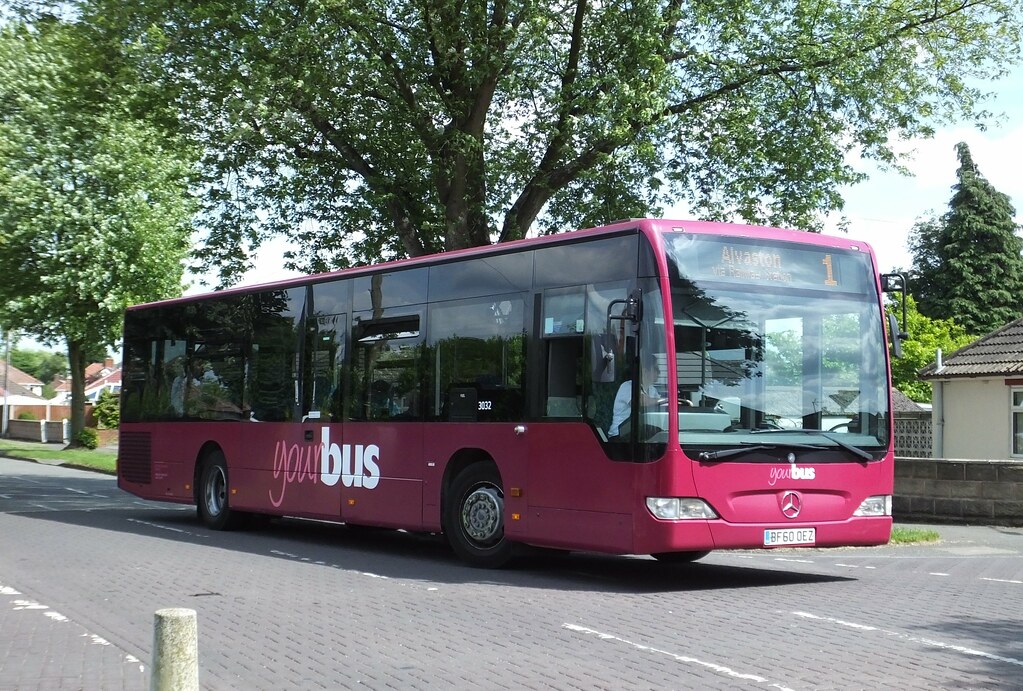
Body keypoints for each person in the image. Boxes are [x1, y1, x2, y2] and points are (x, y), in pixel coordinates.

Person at [608, 359, 661, 439]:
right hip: (619, 436)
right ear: (645, 371)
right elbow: (641, 402)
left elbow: (659, 405)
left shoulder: (652, 390)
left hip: (639, 432)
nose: (659, 372)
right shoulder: (628, 386)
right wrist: (668, 400)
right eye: (656, 369)